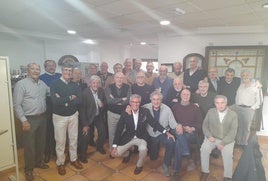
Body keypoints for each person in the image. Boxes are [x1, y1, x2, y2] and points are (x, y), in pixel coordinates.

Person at [111, 94, 174, 175]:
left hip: (141, 137)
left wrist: (166, 132)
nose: (135, 104)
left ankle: (139, 165)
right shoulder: (125, 113)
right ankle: (127, 154)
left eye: (137, 102)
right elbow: (119, 129)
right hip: (128, 137)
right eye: (133, 102)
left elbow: (154, 123)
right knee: (115, 153)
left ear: (140, 103)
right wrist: (114, 145)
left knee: (144, 149)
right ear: (130, 103)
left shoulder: (145, 111)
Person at [13, 63, 49, 181]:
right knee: (29, 146)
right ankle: (28, 169)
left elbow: (51, 92)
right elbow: (16, 105)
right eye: (33, 69)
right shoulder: (21, 84)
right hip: (29, 119)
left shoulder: (42, 84)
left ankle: (38, 162)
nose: (35, 71)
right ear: (28, 71)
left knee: (41, 142)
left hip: (42, 118)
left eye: (37, 69)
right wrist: (24, 121)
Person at [50, 63, 83, 175]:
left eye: (70, 70)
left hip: (73, 115)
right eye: (66, 70)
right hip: (59, 117)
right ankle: (60, 163)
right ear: (62, 71)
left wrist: (63, 100)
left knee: (74, 139)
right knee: (60, 141)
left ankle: (74, 159)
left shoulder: (75, 85)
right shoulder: (54, 84)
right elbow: (55, 101)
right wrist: (70, 98)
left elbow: (79, 100)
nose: (68, 72)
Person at [143, 91, 184, 177]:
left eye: (158, 99)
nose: (156, 102)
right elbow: (135, 110)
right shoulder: (145, 107)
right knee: (153, 157)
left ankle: (166, 164)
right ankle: (154, 150)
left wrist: (179, 125)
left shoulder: (167, 109)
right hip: (150, 134)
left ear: (161, 100)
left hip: (163, 133)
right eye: (154, 99)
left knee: (171, 141)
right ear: (151, 100)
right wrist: (128, 107)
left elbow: (173, 123)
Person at [200, 95, 238, 181]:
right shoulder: (210, 112)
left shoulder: (233, 114)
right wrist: (209, 136)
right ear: (215, 104)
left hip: (227, 139)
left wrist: (223, 143)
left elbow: (233, 132)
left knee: (227, 154)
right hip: (212, 138)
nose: (220, 105)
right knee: (204, 149)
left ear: (226, 103)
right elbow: (205, 125)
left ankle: (227, 176)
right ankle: (205, 171)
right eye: (217, 103)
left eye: (222, 103)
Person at [172, 88, 203, 172]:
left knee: (179, 140)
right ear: (180, 95)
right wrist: (179, 126)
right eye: (183, 94)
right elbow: (171, 122)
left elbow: (200, 123)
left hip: (190, 133)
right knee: (179, 134)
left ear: (190, 96)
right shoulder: (175, 107)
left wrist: (192, 128)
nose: (185, 96)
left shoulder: (195, 108)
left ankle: (176, 170)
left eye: (187, 94)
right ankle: (188, 155)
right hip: (178, 131)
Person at [79, 75, 107, 163]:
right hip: (87, 118)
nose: (95, 84)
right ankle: (83, 154)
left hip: (98, 116)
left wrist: (102, 105)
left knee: (102, 131)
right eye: (94, 83)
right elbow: (82, 110)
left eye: (97, 83)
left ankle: (100, 147)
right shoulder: (85, 93)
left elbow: (105, 104)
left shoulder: (101, 91)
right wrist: (85, 124)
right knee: (85, 136)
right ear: (90, 84)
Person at [39, 60, 61, 163]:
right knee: (49, 131)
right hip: (48, 107)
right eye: (49, 66)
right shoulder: (41, 78)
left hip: (60, 106)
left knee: (59, 130)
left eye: (53, 65)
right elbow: (45, 92)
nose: (52, 67)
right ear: (45, 67)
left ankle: (56, 152)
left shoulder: (60, 75)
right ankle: (47, 153)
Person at [232, 69, 261, 146]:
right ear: (241, 77)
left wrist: (253, 108)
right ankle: (238, 142)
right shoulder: (241, 85)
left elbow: (259, 100)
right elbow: (237, 97)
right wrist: (236, 105)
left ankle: (244, 143)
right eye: (243, 75)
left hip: (248, 109)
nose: (245, 77)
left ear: (250, 76)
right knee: (239, 126)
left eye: (247, 75)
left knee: (246, 128)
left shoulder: (256, 85)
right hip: (238, 108)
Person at [105, 72, 131, 151]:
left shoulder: (128, 87)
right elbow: (109, 101)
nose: (119, 79)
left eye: (121, 78)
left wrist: (115, 100)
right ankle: (112, 151)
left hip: (124, 114)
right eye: (117, 77)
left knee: (123, 133)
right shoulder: (109, 87)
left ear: (123, 79)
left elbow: (128, 100)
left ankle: (121, 150)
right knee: (112, 133)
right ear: (114, 78)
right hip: (112, 114)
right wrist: (122, 99)